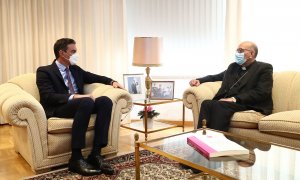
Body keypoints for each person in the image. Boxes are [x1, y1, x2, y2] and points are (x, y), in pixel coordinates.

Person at [36, 38, 123, 176]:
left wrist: (112, 81)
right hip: (60, 108)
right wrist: (76, 97)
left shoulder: (75, 69)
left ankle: (95, 154)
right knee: (87, 101)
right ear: (62, 53)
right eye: (73, 51)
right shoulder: (45, 71)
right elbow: (48, 96)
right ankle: (75, 159)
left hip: (82, 105)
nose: (77, 54)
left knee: (105, 101)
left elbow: (94, 77)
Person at [189, 41, 273, 132]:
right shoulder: (234, 66)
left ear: (251, 54)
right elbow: (218, 76)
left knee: (220, 106)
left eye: (240, 51)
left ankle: (217, 139)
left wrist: (234, 99)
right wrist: (200, 80)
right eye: (237, 50)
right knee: (206, 103)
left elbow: (262, 92)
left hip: (249, 103)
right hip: (230, 102)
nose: (237, 53)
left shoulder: (264, 68)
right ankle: (201, 136)